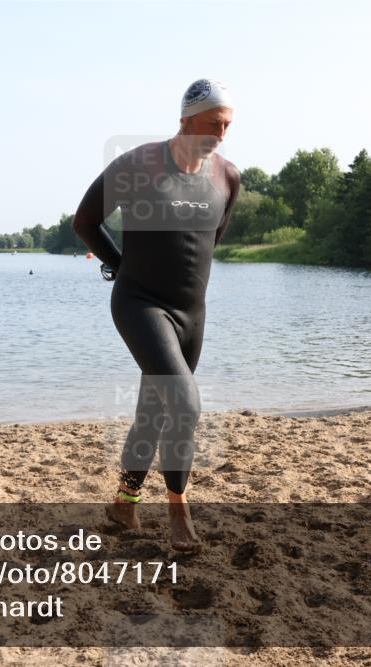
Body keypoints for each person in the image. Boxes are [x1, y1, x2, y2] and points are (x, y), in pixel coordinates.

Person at [73, 79, 240, 552]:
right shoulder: (138, 165)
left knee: (153, 410)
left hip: (192, 313)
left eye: (227, 125)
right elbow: (85, 222)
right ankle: (178, 510)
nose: (221, 134)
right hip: (140, 303)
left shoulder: (228, 177)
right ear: (185, 119)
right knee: (183, 404)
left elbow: (210, 241)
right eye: (212, 124)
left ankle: (124, 503)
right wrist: (122, 266)